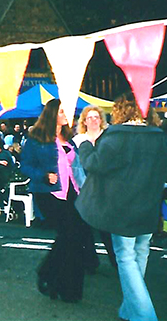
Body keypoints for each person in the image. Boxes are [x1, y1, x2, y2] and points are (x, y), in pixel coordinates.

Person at [75, 92, 167, 321]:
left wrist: (85, 145)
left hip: (120, 209)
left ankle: (144, 315)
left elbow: (94, 164)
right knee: (141, 253)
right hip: (149, 207)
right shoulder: (163, 139)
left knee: (125, 257)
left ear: (119, 111)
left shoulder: (115, 137)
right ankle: (129, 308)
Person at [20, 99, 97, 303]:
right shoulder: (36, 139)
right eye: (62, 111)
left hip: (72, 192)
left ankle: (59, 281)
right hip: (50, 193)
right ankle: (54, 277)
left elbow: (77, 167)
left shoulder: (68, 139)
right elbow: (25, 166)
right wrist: (44, 175)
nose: (66, 115)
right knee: (69, 235)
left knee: (74, 237)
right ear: (52, 114)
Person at [72, 105, 117, 268]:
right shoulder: (77, 140)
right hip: (84, 190)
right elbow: (75, 167)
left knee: (107, 229)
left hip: (106, 189)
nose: (93, 120)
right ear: (84, 121)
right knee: (85, 228)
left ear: (101, 119)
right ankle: (90, 262)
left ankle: (116, 262)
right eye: (89, 117)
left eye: (96, 117)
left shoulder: (108, 137)